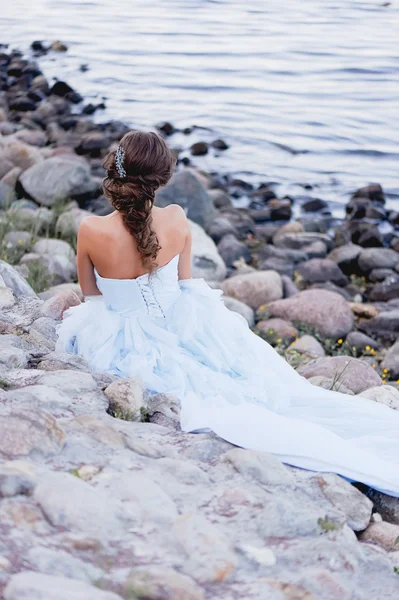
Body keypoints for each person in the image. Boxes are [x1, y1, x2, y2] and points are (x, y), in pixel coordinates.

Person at [57, 130, 399, 497]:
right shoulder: (175, 218)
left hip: (121, 337)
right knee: (250, 385)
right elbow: (185, 285)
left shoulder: (91, 229)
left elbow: (92, 297)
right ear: (163, 178)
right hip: (186, 323)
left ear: (117, 172)